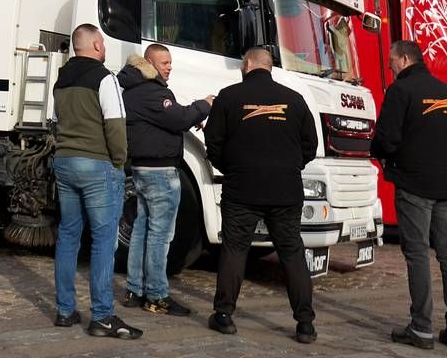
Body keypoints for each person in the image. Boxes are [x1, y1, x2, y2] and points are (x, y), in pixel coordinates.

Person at [207, 45, 318, 344]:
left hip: (242, 188)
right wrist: (290, 165)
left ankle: (224, 315)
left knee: (235, 249)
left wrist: (232, 167)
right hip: (285, 190)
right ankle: (305, 323)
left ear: (247, 64)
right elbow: (310, 144)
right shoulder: (294, 100)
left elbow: (213, 143)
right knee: (292, 253)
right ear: (269, 67)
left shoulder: (229, 97)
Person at [372, 40, 447, 351]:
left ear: (403, 59)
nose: (389, 66)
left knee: (417, 255)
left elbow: (386, 140)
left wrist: (382, 154)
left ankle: (422, 328)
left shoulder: (400, 92)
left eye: (391, 61)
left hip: (413, 185)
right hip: (445, 185)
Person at [51, 23, 140, 340]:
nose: (104, 47)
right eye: (101, 43)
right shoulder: (105, 78)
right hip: (97, 164)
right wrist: (118, 161)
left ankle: (65, 310)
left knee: (68, 236)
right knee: (104, 241)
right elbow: (116, 124)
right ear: (95, 45)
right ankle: (102, 316)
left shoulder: (60, 81)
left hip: (64, 162)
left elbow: (56, 121)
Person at [116, 43, 213, 316]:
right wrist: (204, 105)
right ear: (148, 62)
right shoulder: (152, 92)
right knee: (160, 235)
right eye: (164, 63)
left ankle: (134, 289)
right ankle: (157, 295)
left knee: (141, 230)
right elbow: (178, 117)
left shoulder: (133, 90)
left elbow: (169, 118)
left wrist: (187, 113)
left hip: (142, 170)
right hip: (160, 173)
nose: (169, 67)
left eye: (170, 63)